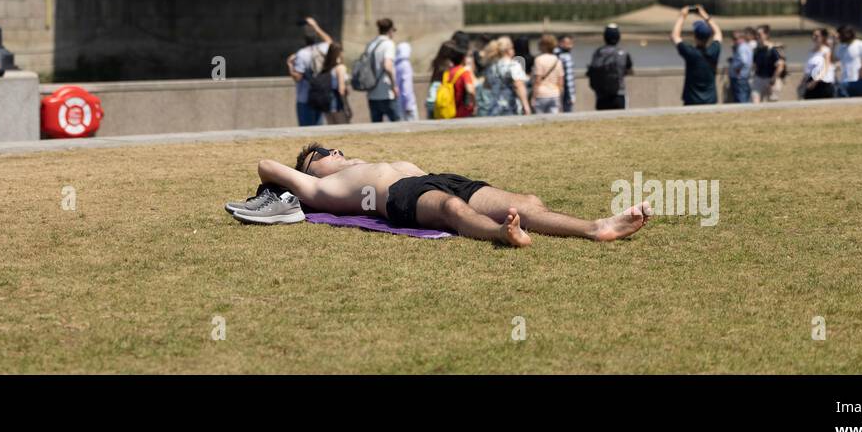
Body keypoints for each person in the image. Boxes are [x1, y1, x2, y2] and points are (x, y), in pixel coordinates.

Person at [225, 142, 653, 247]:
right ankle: (499, 235)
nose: (333, 151)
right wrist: (294, 173)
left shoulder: (353, 163)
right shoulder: (317, 185)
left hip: (437, 176)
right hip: (400, 195)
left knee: (525, 200)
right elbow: (266, 165)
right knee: (449, 209)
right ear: (308, 168)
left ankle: (596, 227)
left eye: (334, 147)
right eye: (322, 152)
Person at [671, 5, 722, 106]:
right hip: (711, 100)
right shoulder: (714, 50)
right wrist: (704, 14)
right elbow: (718, 33)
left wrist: (682, 16)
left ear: (695, 36)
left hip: (692, 100)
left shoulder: (691, 53)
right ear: (709, 36)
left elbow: (675, 36)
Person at [287, 16, 333, 127]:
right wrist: (315, 26)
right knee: (318, 130)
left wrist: (289, 65)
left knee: (305, 131)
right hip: (321, 95)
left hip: (305, 98)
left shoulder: (301, 54)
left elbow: (297, 77)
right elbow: (330, 42)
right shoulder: (322, 49)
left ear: (303, 40)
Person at [476, 36, 532, 116]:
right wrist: (526, 106)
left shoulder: (492, 66)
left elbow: (487, 85)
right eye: (512, 48)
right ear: (507, 50)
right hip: (510, 108)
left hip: (494, 107)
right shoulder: (513, 65)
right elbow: (518, 85)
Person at [362, 18, 401, 122]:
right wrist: (394, 85)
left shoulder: (370, 44)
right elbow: (388, 66)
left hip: (372, 91)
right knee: (398, 125)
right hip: (386, 92)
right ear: (390, 30)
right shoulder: (388, 44)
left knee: (376, 128)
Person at [586, 24, 633, 111]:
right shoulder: (623, 53)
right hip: (619, 93)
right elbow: (629, 70)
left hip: (601, 96)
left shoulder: (598, 53)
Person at [311, 42, 351, 124]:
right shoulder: (340, 68)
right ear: (339, 53)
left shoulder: (326, 68)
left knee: (332, 128)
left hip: (326, 101)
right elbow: (341, 89)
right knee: (343, 127)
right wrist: (347, 106)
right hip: (337, 100)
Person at [433, 45, 476, 119]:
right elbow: (470, 90)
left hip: (448, 110)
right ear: (463, 59)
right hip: (463, 112)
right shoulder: (464, 72)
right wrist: (474, 104)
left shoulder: (447, 73)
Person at [530, 34, 566, 114]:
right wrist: (560, 99)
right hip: (554, 94)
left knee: (540, 121)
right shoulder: (558, 60)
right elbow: (561, 82)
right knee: (554, 121)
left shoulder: (539, 60)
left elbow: (537, 81)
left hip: (541, 94)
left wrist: (533, 97)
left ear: (544, 46)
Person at [750, 24, 784, 103]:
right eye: (756, 35)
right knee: (754, 100)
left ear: (766, 35)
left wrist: (773, 80)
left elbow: (780, 66)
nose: (757, 37)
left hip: (771, 79)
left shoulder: (772, 49)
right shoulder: (756, 50)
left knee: (772, 104)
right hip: (759, 79)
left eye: (759, 35)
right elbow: (754, 65)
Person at [833, 25, 862, 97]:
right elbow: (833, 59)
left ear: (847, 34)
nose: (838, 37)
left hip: (857, 81)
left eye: (840, 35)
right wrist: (833, 45)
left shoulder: (861, 45)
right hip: (844, 82)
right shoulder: (841, 46)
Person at [802, 29, 836, 99]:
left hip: (823, 83)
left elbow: (825, 69)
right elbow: (808, 71)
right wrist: (803, 82)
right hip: (811, 83)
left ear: (822, 37)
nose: (814, 37)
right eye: (813, 35)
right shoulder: (810, 52)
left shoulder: (826, 51)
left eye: (817, 36)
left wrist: (814, 82)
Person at [726, 30, 754, 104]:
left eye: (735, 39)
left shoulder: (742, 48)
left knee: (741, 99)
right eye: (733, 38)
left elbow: (743, 61)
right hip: (743, 77)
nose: (733, 41)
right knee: (743, 97)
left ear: (742, 38)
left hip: (739, 78)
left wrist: (736, 68)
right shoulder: (746, 46)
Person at [394, 41, 418, 121]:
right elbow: (406, 87)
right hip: (408, 104)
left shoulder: (396, 64)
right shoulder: (405, 65)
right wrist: (409, 105)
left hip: (398, 102)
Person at [553, 34, 577, 112]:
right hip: (565, 91)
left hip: (552, 90)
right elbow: (569, 79)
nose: (571, 46)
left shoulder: (554, 54)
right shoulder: (566, 57)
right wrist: (572, 96)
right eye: (568, 43)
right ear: (560, 43)